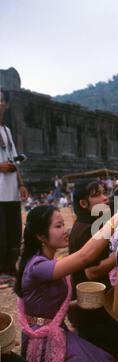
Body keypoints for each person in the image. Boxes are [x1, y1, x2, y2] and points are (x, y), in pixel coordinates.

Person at [15, 205, 118, 362]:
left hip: (57, 332)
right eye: (58, 226)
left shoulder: (48, 260)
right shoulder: (38, 267)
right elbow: (84, 257)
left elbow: (46, 307)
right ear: (41, 236)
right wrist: (114, 221)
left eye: (64, 224)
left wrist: (76, 303)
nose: (65, 230)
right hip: (43, 343)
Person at [68, 179, 118, 361]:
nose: (104, 198)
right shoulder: (88, 230)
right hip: (90, 308)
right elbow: (92, 272)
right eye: (97, 195)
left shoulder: (87, 223)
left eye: (104, 192)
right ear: (84, 204)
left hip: (94, 304)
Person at [0, 90, 28, 282]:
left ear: (6, 105)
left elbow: (13, 159)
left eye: (0, 100)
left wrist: (21, 184)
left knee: (14, 232)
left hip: (10, 190)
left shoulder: (7, 131)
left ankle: (10, 268)